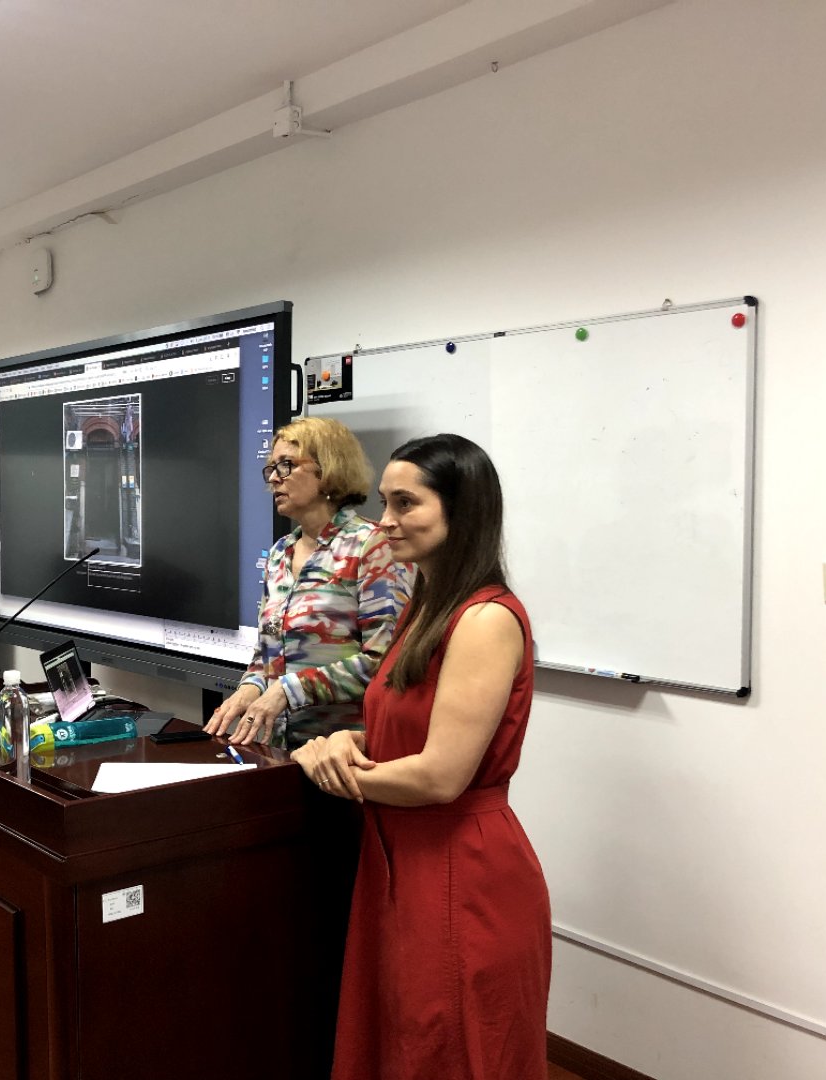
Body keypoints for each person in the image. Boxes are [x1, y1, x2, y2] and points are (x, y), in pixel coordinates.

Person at [293, 433, 551, 1080]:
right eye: (384, 502)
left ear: (462, 509)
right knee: (402, 1042)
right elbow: (396, 726)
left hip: (460, 869)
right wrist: (344, 742)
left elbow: (440, 776)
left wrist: (335, 772)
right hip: (399, 858)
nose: (384, 521)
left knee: (452, 1050)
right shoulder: (426, 604)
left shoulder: (486, 620)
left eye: (405, 503)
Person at [204, 417, 412, 748]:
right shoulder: (279, 553)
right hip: (279, 750)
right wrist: (249, 688)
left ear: (328, 469)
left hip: (344, 753)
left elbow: (387, 661)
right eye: (271, 468)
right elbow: (267, 654)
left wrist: (290, 690)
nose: (274, 478)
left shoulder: (372, 546)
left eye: (286, 465)